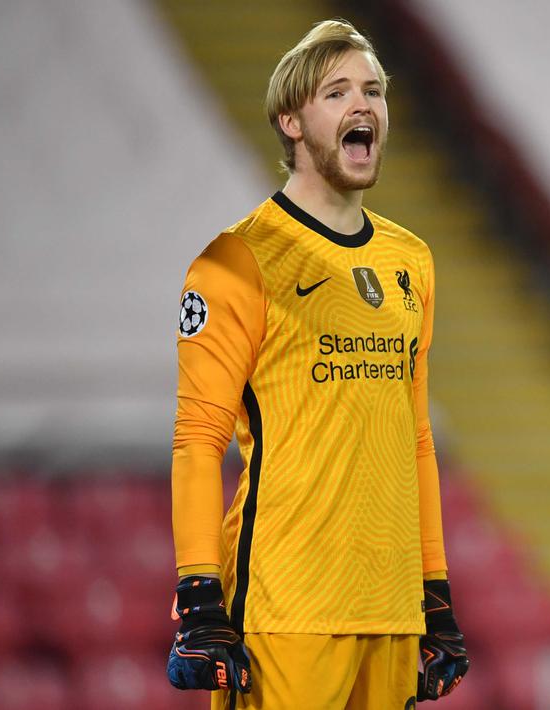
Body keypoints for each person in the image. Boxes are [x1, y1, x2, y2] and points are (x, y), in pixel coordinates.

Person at [166, 19, 468, 708]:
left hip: (390, 615)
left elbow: (413, 437)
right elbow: (197, 439)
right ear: (291, 121)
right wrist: (198, 592)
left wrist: (434, 592)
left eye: (373, 90)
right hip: (285, 611)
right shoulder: (235, 262)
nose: (363, 105)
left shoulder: (410, 261)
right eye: (337, 93)